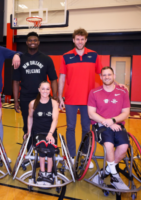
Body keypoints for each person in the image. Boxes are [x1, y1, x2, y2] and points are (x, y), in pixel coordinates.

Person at [58, 28, 103, 168]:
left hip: (88, 100)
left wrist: (117, 84)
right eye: (77, 39)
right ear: (73, 40)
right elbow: (62, 78)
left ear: (86, 40)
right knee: (70, 128)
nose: (80, 41)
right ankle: (71, 156)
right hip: (71, 98)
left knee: (86, 128)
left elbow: (103, 74)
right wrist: (60, 97)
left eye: (82, 39)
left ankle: (84, 156)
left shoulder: (94, 55)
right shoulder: (66, 56)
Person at [13, 32, 58, 150]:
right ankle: (28, 150)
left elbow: (53, 79)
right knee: (27, 124)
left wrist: (55, 96)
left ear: (38, 42)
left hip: (42, 97)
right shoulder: (20, 59)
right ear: (26, 43)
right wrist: (16, 100)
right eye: (30, 40)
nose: (32, 42)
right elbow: (16, 81)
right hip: (26, 97)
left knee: (46, 123)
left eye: (35, 40)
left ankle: (47, 149)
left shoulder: (46, 59)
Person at [88, 67, 130, 190]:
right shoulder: (94, 92)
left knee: (123, 147)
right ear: (100, 77)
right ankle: (115, 176)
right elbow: (91, 114)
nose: (107, 77)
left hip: (118, 125)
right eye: (104, 75)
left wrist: (113, 120)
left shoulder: (123, 92)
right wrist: (108, 122)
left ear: (114, 76)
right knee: (109, 146)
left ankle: (104, 172)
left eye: (109, 74)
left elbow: (125, 113)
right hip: (100, 125)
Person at [24, 81, 59, 185]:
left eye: (47, 89)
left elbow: (55, 120)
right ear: (39, 90)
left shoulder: (54, 103)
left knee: (50, 145)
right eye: (43, 88)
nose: (45, 91)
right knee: (42, 145)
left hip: (50, 132)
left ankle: (49, 172)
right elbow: (30, 117)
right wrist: (29, 132)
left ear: (50, 90)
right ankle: (42, 172)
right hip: (37, 132)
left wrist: (50, 133)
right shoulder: (33, 103)